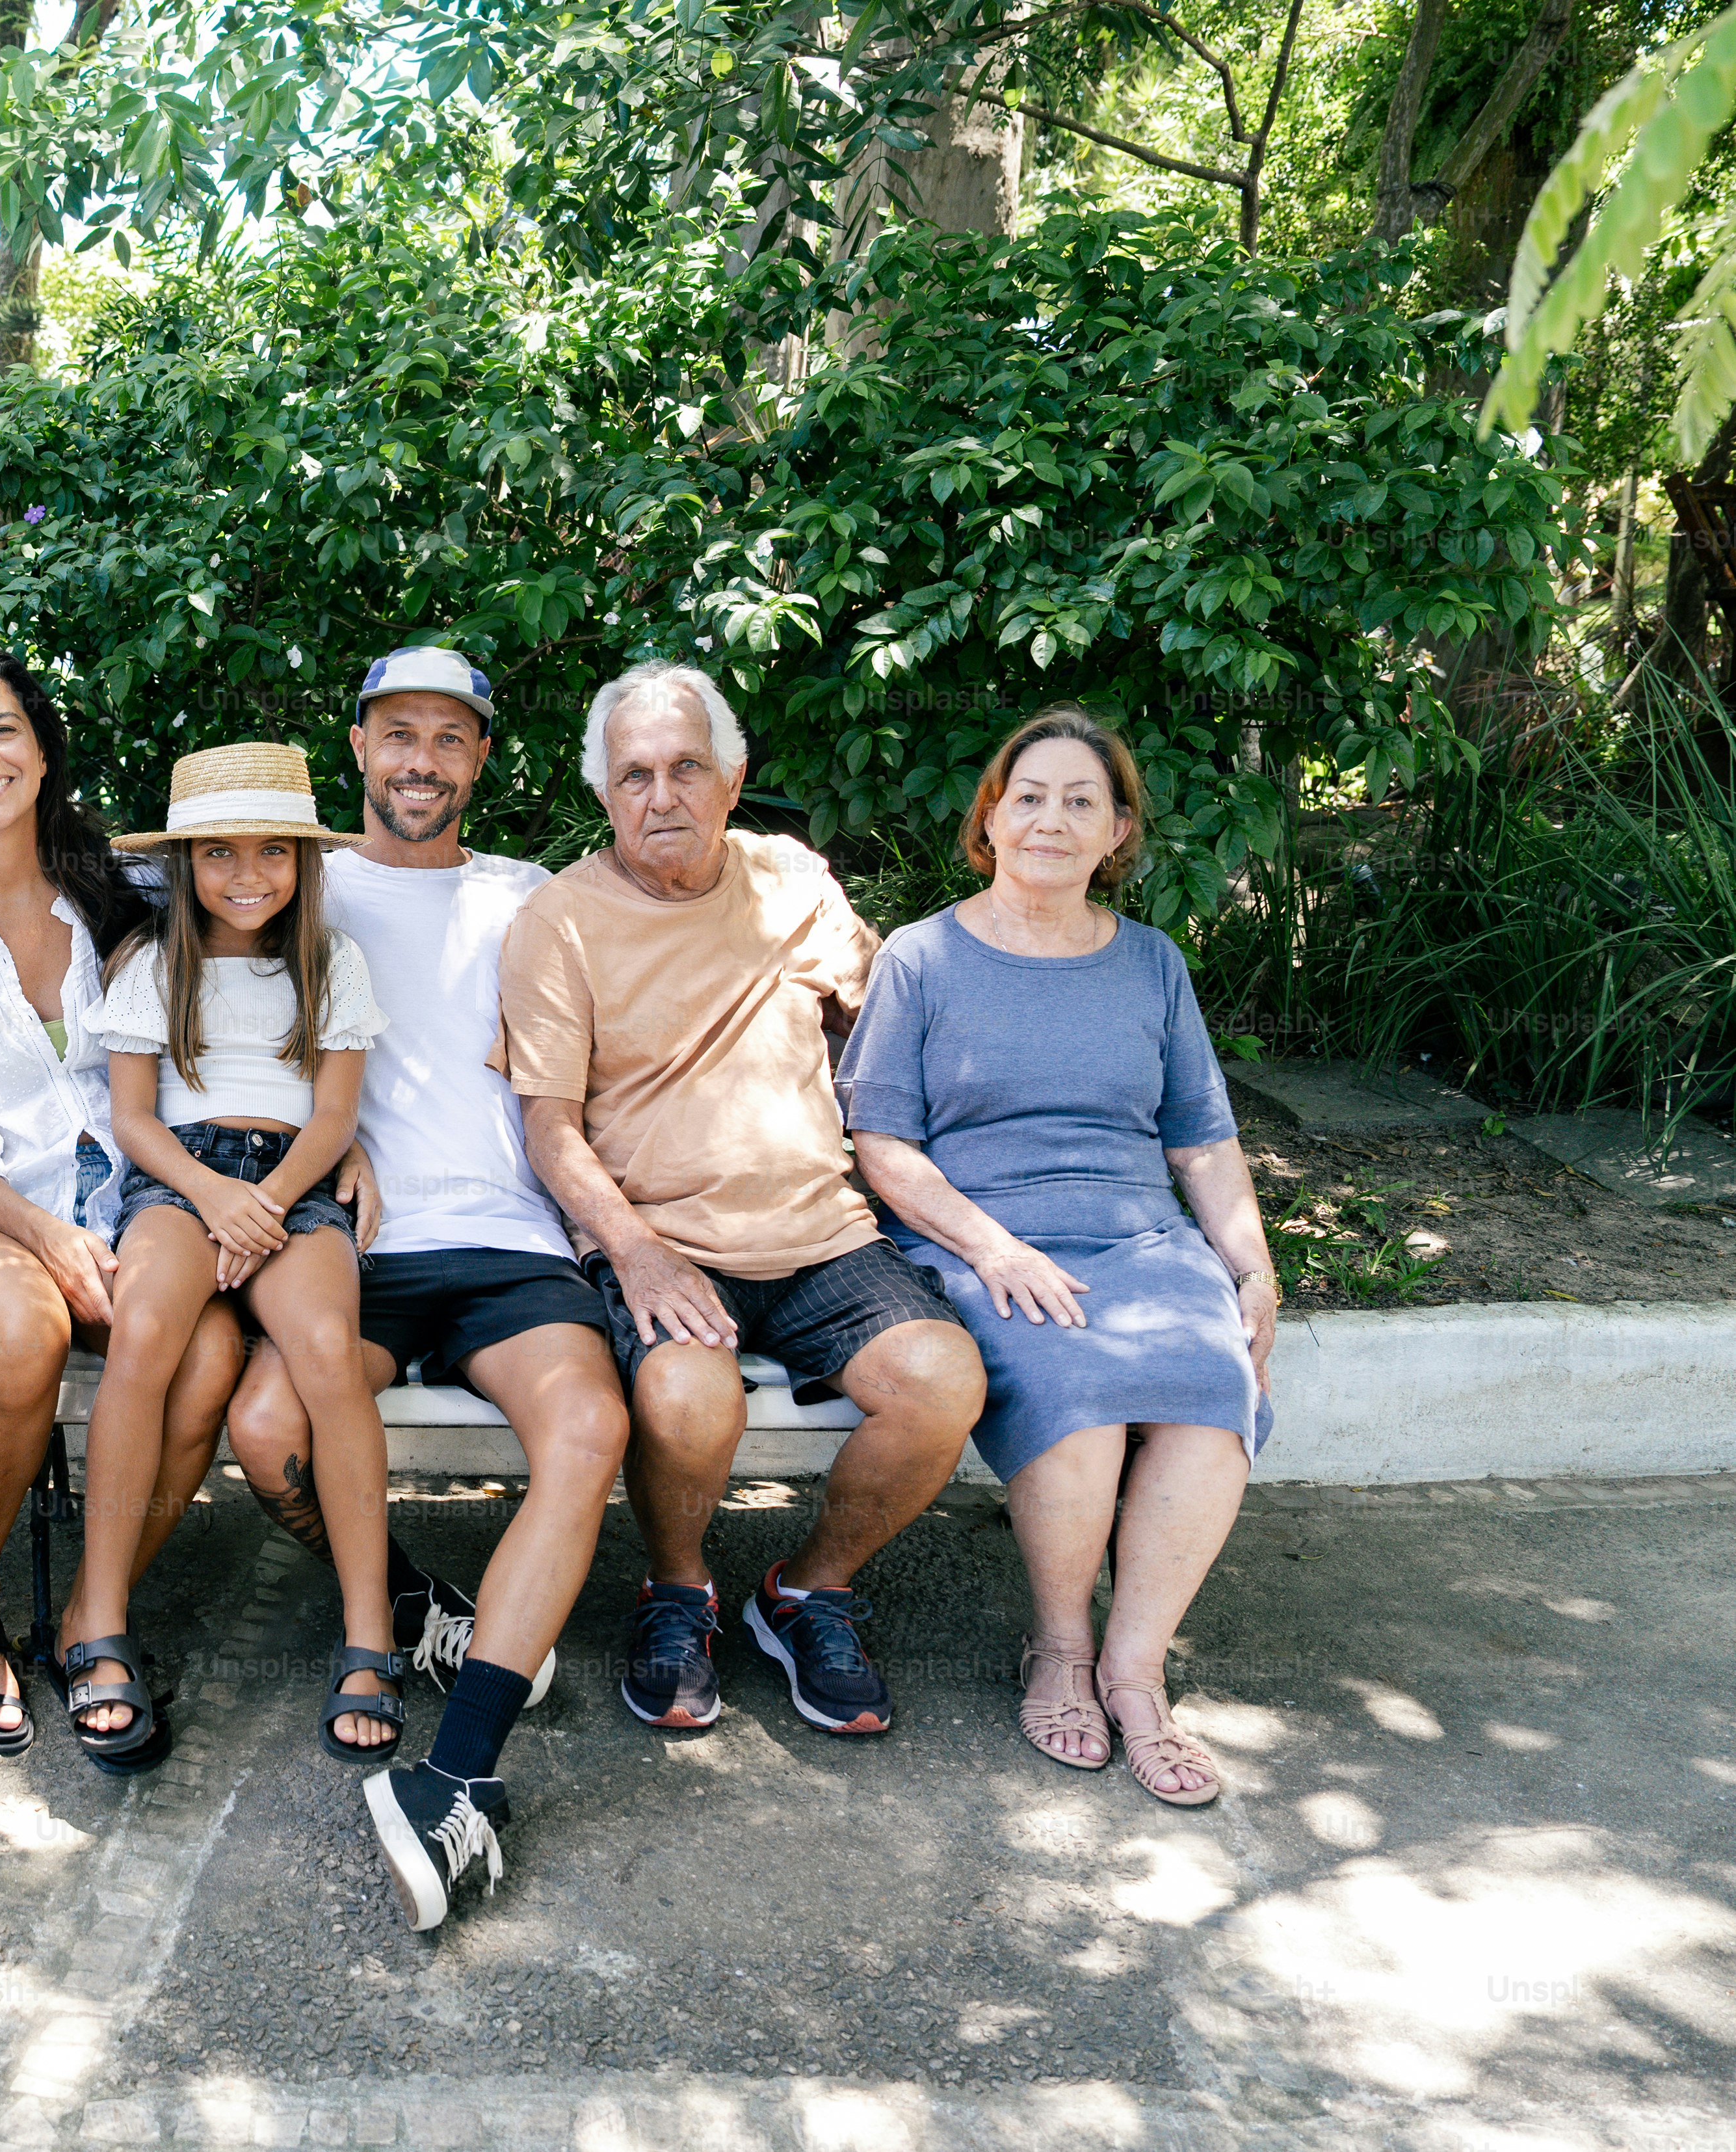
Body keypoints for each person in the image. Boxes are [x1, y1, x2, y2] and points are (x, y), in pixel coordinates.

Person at [211, 648, 629, 1932]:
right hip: (358, 1244)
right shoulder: (287, 881)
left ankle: (461, 1778)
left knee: (589, 1425)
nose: (422, 761)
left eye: (451, 739)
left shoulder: (533, 895)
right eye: (399, 732)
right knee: (267, 1429)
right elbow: (155, 966)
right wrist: (332, 1154)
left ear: (482, 760)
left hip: (510, 1237)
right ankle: (409, 1600)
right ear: (356, 745)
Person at [500, 661, 986, 1740]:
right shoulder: (561, 919)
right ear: (604, 795)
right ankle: (678, 1590)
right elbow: (550, 1129)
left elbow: (888, 1037)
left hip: (824, 1235)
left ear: (733, 777)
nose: (660, 796)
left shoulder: (794, 881)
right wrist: (635, 1252)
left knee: (943, 1381)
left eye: (685, 768)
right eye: (634, 776)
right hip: (665, 1235)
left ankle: (808, 1587)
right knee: (684, 1395)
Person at [837, 707, 1278, 1806]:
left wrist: (1253, 1263)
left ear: (1117, 830)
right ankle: (1061, 1648)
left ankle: (1136, 1676)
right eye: (1029, 795)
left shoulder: (1151, 963)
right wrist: (994, 1246)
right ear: (992, 814)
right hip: (979, 1236)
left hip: (1137, 1234)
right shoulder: (921, 957)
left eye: (1082, 800)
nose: (1052, 817)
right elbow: (882, 1144)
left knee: (1214, 1381)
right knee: (1076, 1382)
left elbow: (1204, 1141)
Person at [0, 645, 252, 1755]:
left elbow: (279, 898)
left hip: (131, 1203)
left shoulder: (124, 889)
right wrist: (43, 1233)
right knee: (23, 1331)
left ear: (38, 749)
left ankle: (94, 1608)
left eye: (1, 730)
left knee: (208, 1355)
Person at [76, 741, 391, 1772]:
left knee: (327, 1353)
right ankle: (104, 1619)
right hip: (183, 1178)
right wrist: (215, 1198)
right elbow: (134, 1120)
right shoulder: (153, 965)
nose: (247, 874)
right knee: (147, 1335)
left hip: (295, 1178)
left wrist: (269, 1203)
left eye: (272, 851)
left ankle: (367, 1632)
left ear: (304, 857)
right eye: (219, 853)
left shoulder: (331, 961)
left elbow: (336, 1112)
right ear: (184, 860)